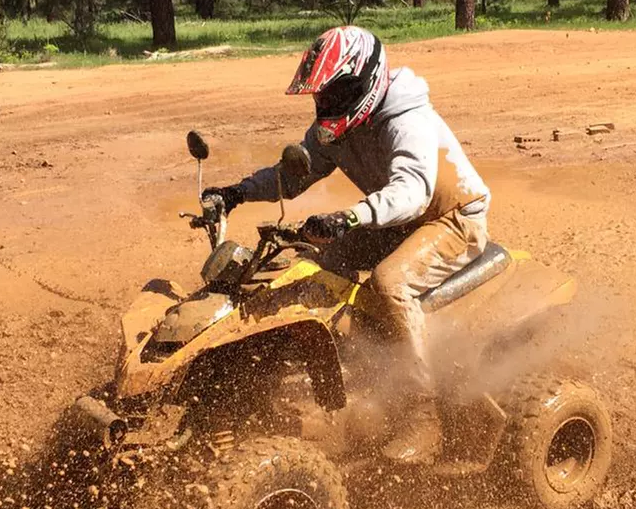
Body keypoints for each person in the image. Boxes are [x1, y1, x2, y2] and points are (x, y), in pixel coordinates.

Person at [203, 26, 491, 464]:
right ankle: (332, 373)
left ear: (365, 81)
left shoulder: (405, 117)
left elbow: (413, 190)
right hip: (394, 221)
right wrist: (236, 193)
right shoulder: (334, 129)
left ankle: (422, 417)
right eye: (323, 96)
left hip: (452, 218)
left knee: (390, 282)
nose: (329, 105)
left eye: (338, 93)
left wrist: (349, 217)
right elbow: (294, 176)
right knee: (308, 267)